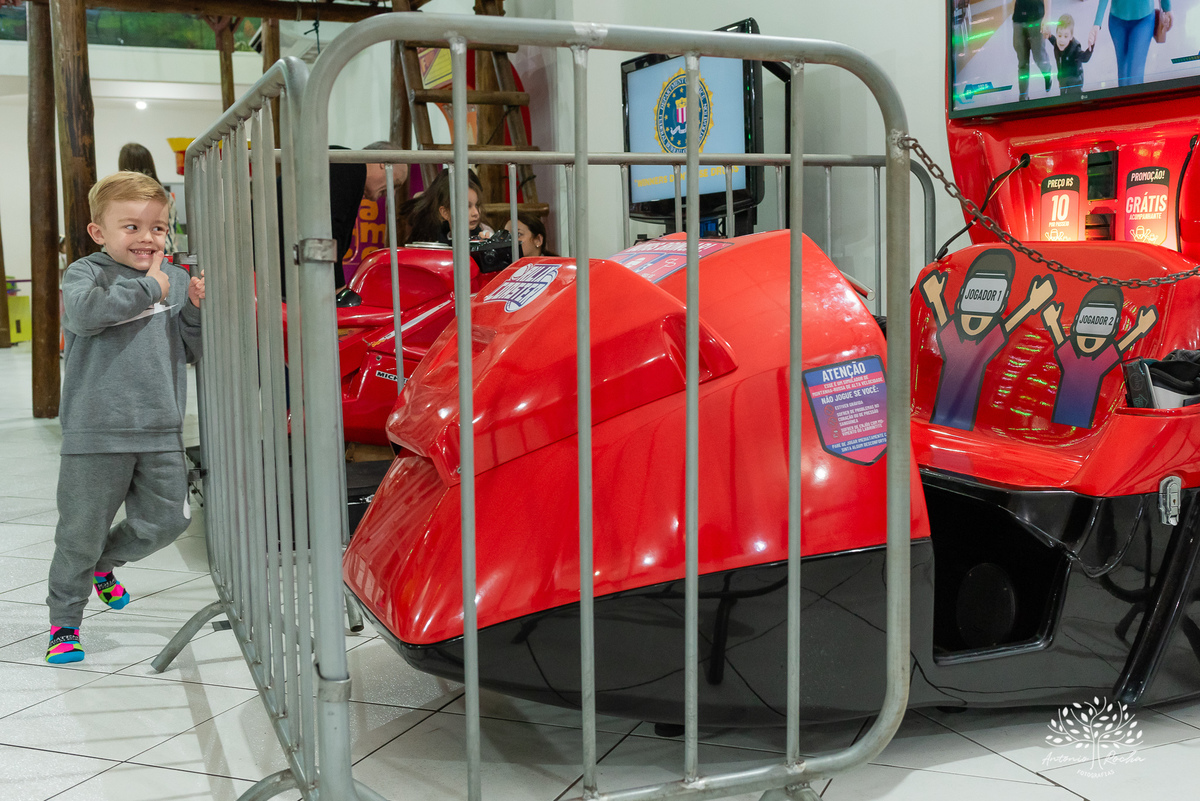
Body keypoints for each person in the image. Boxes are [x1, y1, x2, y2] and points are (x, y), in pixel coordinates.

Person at [45, 171, 205, 664]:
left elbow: (193, 351)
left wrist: (195, 309)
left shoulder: (175, 279)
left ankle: (105, 565)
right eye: (131, 227)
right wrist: (151, 288)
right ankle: (65, 624)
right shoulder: (84, 274)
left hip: (159, 426)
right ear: (99, 233)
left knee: (167, 521)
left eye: (157, 229)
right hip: (95, 430)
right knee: (80, 531)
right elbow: (87, 315)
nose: (146, 238)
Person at [919, 249, 1055, 431]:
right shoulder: (959, 334)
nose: (978, 311)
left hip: (955, 424)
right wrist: (1031, 303)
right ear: (961, 299)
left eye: (990, 298)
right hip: (952, 424)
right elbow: (1008, 326)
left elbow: (1007, 326)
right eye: (975, 295)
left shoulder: (980, 338)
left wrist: (1031, 304)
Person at [1090, 0, 1172, 88]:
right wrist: (1097, 23)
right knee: (1123, 76)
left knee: (1134, 76)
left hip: (1144, 19)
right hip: (1117, 21)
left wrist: (1167, 8)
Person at [402, 168, 493, 245]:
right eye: (466, 206)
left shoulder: (484, 232)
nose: (476, 213)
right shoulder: (427, 230)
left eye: (477, 204)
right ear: (444, 212)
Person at [118, 143, 178, 255]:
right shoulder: (166, 195)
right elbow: (171, 231)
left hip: (141, 255)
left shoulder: (120, 197)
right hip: (167, 255)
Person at [1012, 0, 1055, 101]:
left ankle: (1047, 73)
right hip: (1018, 19)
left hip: (1036, 17)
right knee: (1022, 62)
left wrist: (1047, 17)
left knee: (1039, 57)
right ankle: (1023, 98)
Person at [1045, 15, 1095, 96]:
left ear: (1071, 37)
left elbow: (1085, 58)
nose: (1061, 40)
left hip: (1075, 81)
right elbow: (1054, 41)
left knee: (1074, 98)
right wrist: (1049, 36)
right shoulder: (1057, 43)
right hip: (1062, 79)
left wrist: (1091, 47)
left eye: (1066, 36)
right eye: (1059, 35)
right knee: (1064, 98)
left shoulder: (1075, 49)